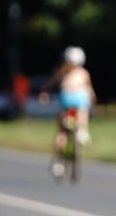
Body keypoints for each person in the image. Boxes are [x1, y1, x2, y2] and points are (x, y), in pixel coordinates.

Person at [39, 46, 97, 174]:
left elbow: (49, 85)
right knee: (83, 111)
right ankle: (82, 130)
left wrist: (44, 93)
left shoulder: (62, 71)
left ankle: (58, 162)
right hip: (80, 100)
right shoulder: (83, 73)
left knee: (62, 132)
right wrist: (93, 100)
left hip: (66, 101)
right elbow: (90, 91)